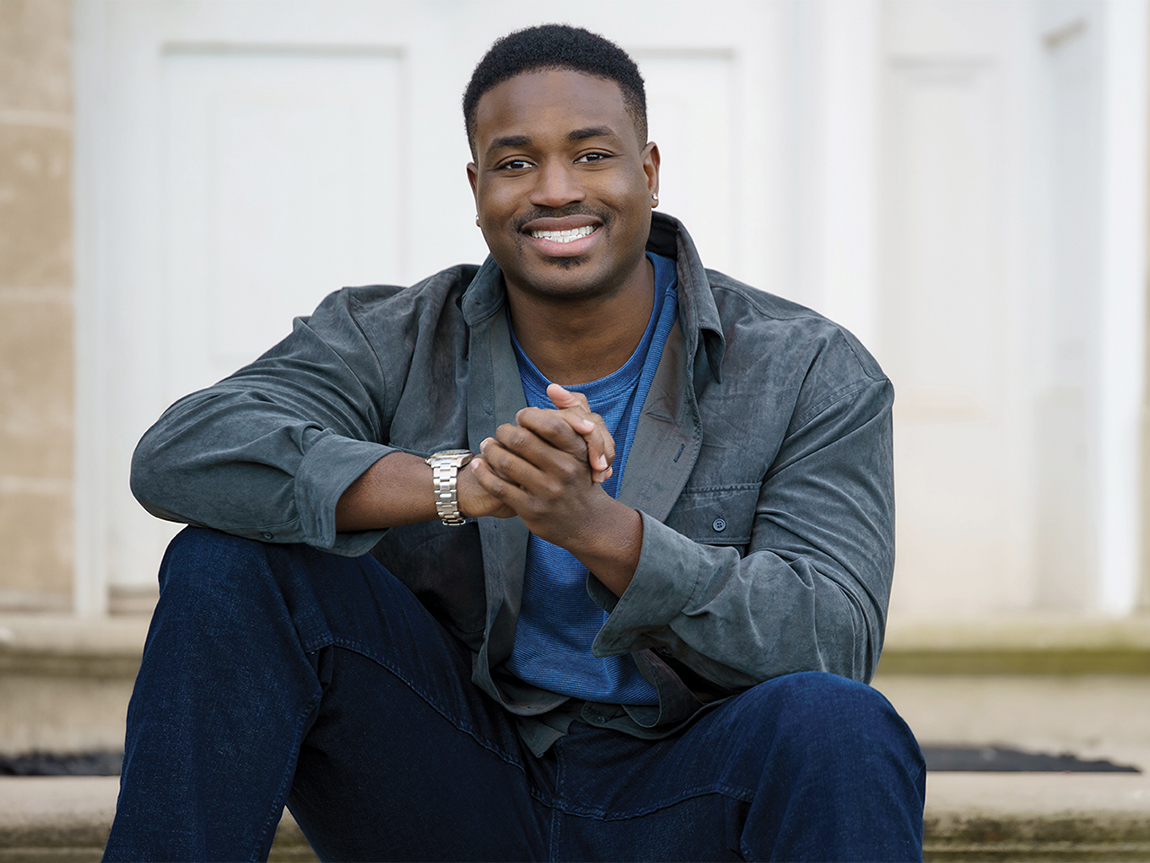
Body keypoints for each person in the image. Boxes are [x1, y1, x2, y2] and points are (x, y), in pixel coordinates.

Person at [104, 23, 925, 863]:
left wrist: (596, 528)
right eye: (515, 162)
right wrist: (461, 483)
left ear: (648, 172)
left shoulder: (807, 368)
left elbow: (832, 637)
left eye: (592, 155)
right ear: (477, 186)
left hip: (688, 786)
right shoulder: (387, 336)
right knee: (231, 564)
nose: (555, 189)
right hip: (452, 782)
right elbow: (182, 451)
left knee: (841, 725)